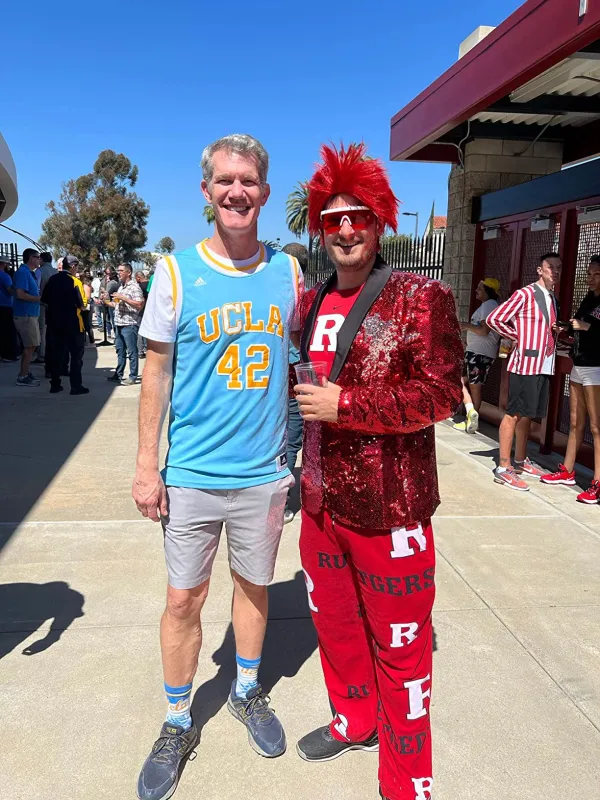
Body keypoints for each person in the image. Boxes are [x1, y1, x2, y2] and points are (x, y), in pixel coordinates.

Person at [133, 133, 302, 800]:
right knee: (183, 599)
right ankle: (178, 718)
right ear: (207, 192)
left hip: (263, 472)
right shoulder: (176, 272)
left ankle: (247, 689)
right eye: (225, 180)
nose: (237, 190)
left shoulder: (287, 273)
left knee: (255, 588)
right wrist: (148, 466)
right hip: (193, 474)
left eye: (249, 180)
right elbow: (154, 372)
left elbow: (304, 360)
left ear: (263, 191)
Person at [294, 143, 463, 800]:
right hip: (319, 504)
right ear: (319, 227)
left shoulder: (422, 297)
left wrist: (347, 405)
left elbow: (442, 395)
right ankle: (352, 719)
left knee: (402, 658)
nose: (344, 229)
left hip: (392, 514)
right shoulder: (308, 303)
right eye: (332, 218)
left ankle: (405, 784)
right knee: (335, 629)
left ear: (379, 221)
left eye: (356, 216)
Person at [486, 252, 562, 491]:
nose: (555, 271)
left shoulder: (551, 297)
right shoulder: (526, 293)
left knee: (528, 413)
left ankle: (519, 460)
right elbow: (494, 318)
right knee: (514, 412)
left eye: (558, 267)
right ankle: (503, 467)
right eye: (550, 267)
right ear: (540, 270)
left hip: (544, 363)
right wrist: (518, 337)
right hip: (525, 363)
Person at [541, 256, 600, 502]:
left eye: (596, 274)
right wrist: (567, 328)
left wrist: (587, 327)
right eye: (589, 273)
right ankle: (567, 470)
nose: (590, 278)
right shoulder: (588, 298)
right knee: (575, 422)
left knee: (597, 427)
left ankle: (597, 482)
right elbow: (580, 325)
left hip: (596, 367)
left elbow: (591, 327)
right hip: (579, 364)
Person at [281, 242, 308, 524]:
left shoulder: (271, 294)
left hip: (274, 377)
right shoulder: (311, 298)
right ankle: (284, 501)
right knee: (291, 441)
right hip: (299, 378)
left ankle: (278, 499)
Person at [453, 278, 500, 434]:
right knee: (465, 381)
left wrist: (465, 326)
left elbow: (484, 331)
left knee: (475, 386)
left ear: (488, 291)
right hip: (476, 352)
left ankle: (472, 418)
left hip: (481, 353)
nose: (476, 291)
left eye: (480, 288)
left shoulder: (489, 305)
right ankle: (470, 411)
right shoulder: (487, 306)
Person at [42, 255, 89, 395]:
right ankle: (76, 386)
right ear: (73, 266)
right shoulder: (75, 282)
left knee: (57, 355)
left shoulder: (52, 280)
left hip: (55, 324)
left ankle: (55, 384)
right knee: (76, 357)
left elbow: (44, 300)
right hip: (74, 325)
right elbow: (83, 304)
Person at [106, 263, 144, 385]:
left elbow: (139, 304)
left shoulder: (134, 287)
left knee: (132, 351)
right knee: (120, 351)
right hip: (119, 323)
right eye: (118, 270)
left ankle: (132, 376)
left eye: (121, 270)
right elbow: (116, 304)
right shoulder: (121, 286)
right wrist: (106, 301)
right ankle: (118, 374)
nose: (119, 272)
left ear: (128, 272)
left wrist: (124, 298)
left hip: (129, 324)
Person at [13, 249, 42, 387]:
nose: (39, 260)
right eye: (37, 257)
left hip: (30, 314)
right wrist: (38, 298)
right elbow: (20, 294)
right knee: (29, 346)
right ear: (31, 258)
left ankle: (26, 371)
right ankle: (23, 376)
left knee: (32, 345)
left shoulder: (28, 273)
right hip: (25, 315)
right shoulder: (23, 273)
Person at [36, 252, 56, 363]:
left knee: (42, 330)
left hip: (41, 304)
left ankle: (42, 354)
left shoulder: (39, 272)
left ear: (42, 260)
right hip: (54, 305)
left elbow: (36, 288)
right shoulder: (55, 272)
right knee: (52, 329)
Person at [0, 256, 19, 362]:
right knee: (8, 331)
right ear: (3, 264)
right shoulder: (5, 276)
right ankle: (8, 355)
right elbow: (10, 291)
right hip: (5, 306)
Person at [135, 270, 149, 358]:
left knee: (140, 330)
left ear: (138, 278)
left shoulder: (139, 287)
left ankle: (140, 350)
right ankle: (147, 348)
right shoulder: (151, 284)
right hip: (151, 310)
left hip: (142, 309)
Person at [80, 272, 95, 345]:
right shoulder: (89, 285)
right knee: (88, 322)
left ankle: (86, 339)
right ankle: (91, 338)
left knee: (85, 322)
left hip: (86, 303)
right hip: (90, 303)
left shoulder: (84, 285)